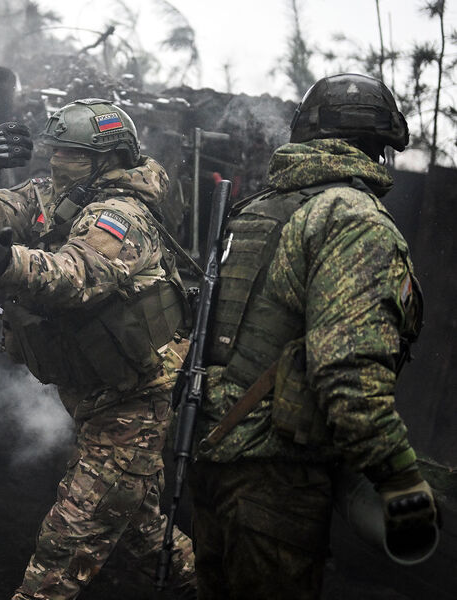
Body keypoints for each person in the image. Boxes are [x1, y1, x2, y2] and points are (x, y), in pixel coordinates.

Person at [187, 73, 436, 599]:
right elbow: (348, 374)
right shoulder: (353, 219)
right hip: (277, 480)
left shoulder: (257, 210)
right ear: (381, 145)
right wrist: (399, 479)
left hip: (211, 462)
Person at [0, 98, 196, 599]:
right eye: (56, 149)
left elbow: (79, 275)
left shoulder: (122, 215)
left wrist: (6, 265)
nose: (57, 160)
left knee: (62, 552)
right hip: (93, 394)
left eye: (72, 153)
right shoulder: (56, 194)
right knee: (145, 537)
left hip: (132, 403)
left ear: (107, 159)